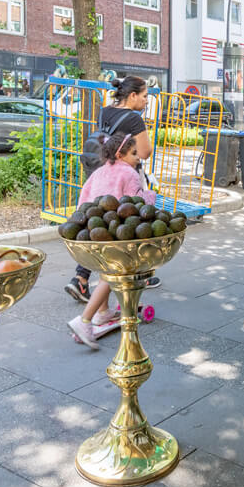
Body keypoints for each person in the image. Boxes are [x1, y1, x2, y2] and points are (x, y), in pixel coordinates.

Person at [66, 76, 159, 303]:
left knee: (97, 220)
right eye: (145, 96)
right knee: (128, 223)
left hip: (100, 172)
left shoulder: (105, 111)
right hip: (123, 177)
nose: (147, 101)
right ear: (133, 95)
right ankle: (138, 274)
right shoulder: (134, 119)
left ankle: (81, 278)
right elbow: (144, 152)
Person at [68, 132, 156, 347]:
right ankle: (84, 320)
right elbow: (136, 204)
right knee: (113, 274)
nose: (138, 158)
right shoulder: (129, 174)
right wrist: (151, 194)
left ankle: (104, 311)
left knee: (102, 270)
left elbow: (84, 198)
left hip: (90, 230)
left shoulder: (98, 172)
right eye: (134, 153)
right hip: (115, 233)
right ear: (121, 154)